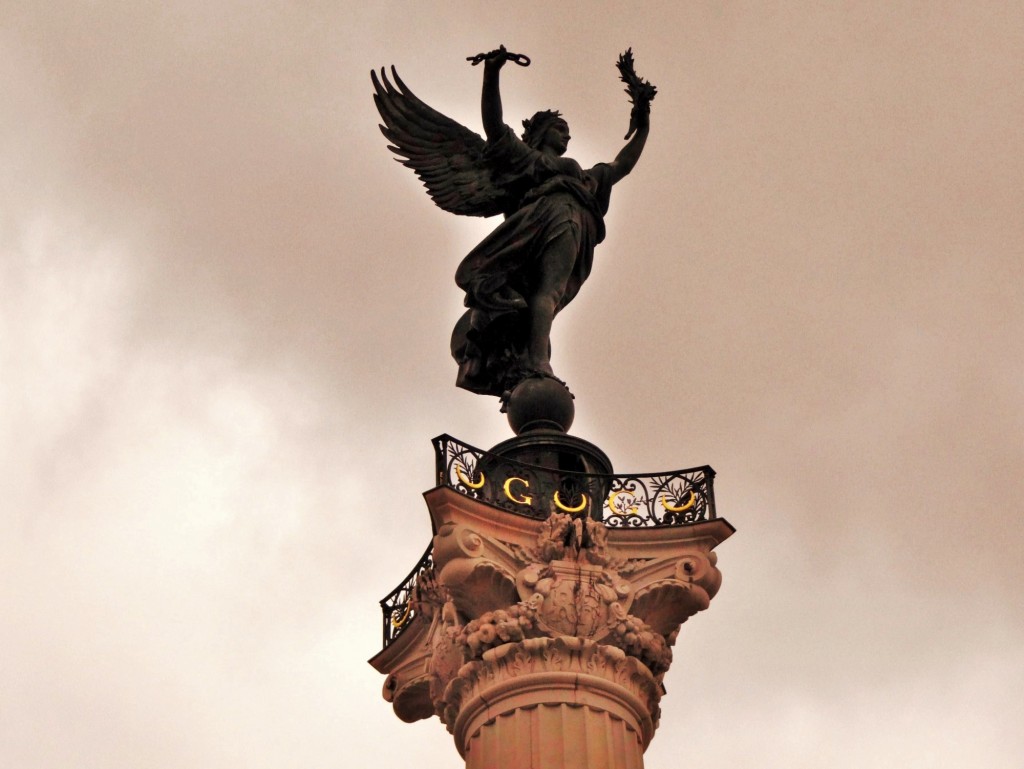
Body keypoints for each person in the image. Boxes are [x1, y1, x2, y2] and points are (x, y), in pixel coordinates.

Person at [450, 47, 651, 396]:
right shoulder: (526, 160)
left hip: (573, 220)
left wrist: (643, 120)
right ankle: (539, 362)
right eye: (560, 129)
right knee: (542, 293)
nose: (568, 136)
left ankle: (535, 358)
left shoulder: (585, 179)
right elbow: (494, 127)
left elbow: (622, 166)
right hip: (546, 217)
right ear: (542, 132)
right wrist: (492, 73)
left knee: (549, 295)